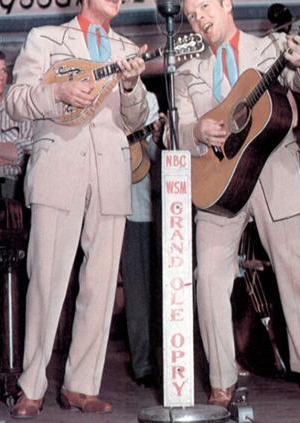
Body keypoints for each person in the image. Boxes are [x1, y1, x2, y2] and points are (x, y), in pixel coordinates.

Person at [171, 0, 300, 408]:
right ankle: (221, 380)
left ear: (227, 5)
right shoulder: (187, 72)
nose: (199, 18)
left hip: (274, 171)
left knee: (294, 271)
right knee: (209, 278)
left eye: (204, 7)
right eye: (191, 14)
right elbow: (178, 133)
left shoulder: (271, 48)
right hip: (218, 183)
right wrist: (196, 132)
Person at [5, 0, 148, 418]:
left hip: (111, 174)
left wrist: (132, 87)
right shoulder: (45, 39)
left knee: (101, 286)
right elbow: (16, 101)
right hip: (58, 168)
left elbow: (136, 118)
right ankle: (32, 385)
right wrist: (57, 94)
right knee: (46, 282)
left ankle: (81, 386)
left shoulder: (127, 49)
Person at [121, 91, 163, 388]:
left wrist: (155, 139)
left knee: (153, 290)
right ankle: (142, 363)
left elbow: (155, 155)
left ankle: (158, 362)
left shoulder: (150, 101)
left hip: (145, 207)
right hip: (114, 206)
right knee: (135, 293)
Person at [0, 49, 33, 199]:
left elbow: (28, 152)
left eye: (4, 70)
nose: (1, 76)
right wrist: (8, 153)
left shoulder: (20, 107)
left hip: (12, 188)